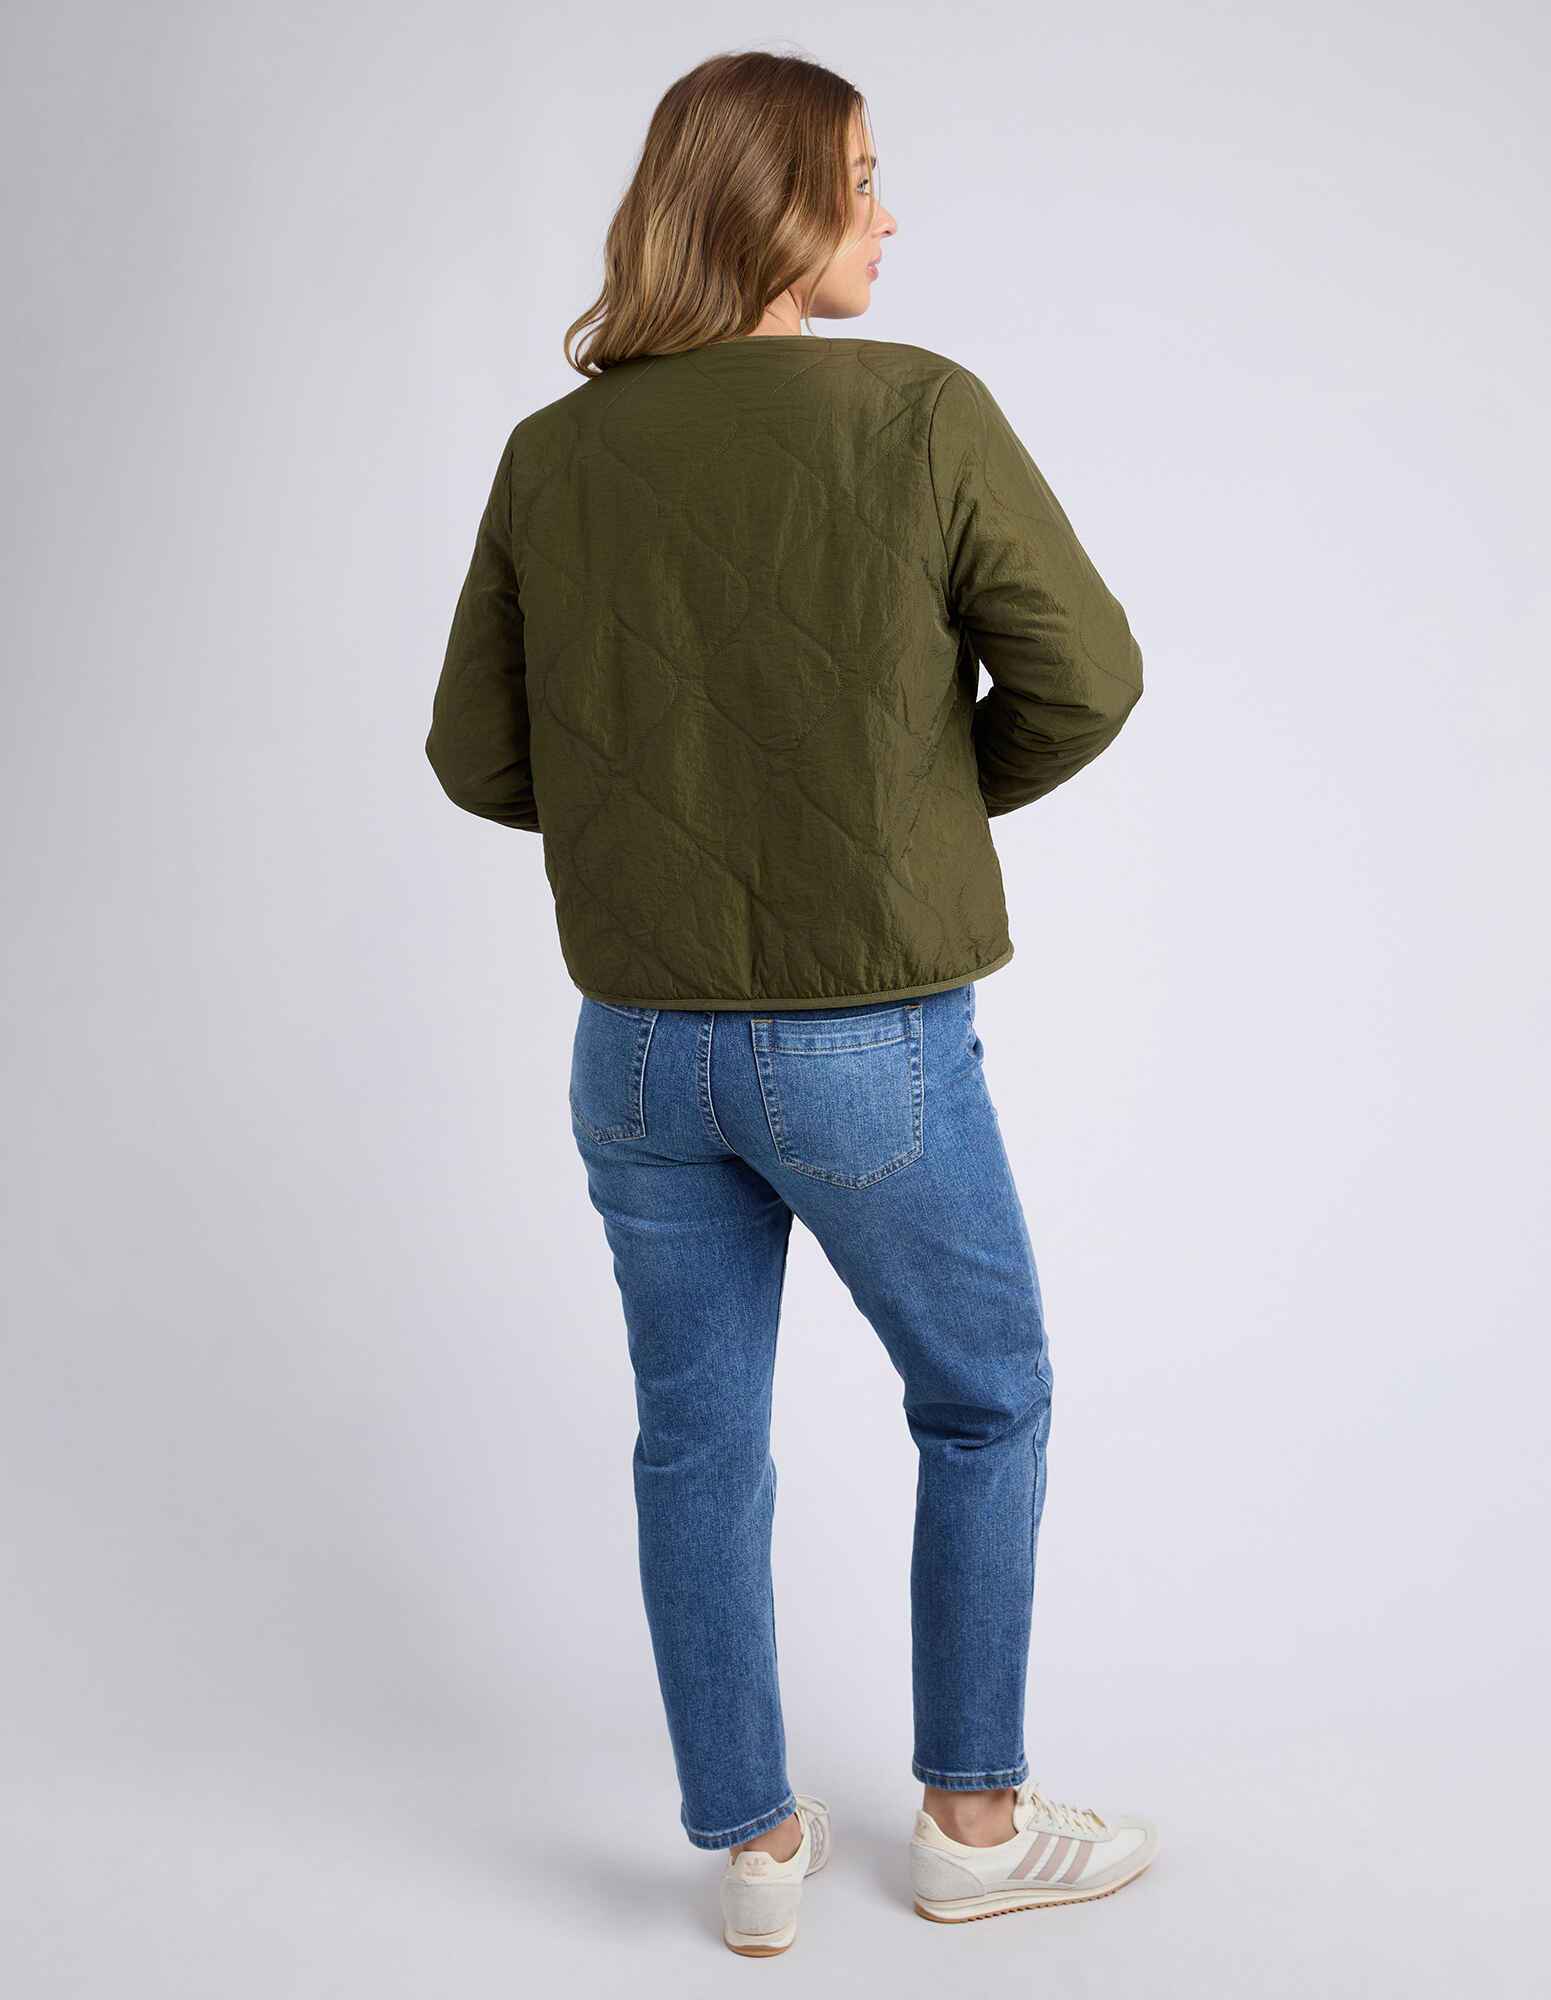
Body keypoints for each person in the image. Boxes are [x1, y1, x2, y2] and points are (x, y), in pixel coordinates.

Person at [425, 48, 1157, 1957]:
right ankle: (974, 1824)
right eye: (862, 177)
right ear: (776, 206)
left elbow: (477, 757)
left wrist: (666, 828)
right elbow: (1088, 678)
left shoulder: (555, 455)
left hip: (636, 1052)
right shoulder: (914, 410)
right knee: (985, 1402)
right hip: (864, 1043)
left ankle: (753, 1853)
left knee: (696, 1437)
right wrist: (911, 819)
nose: (889, 216)